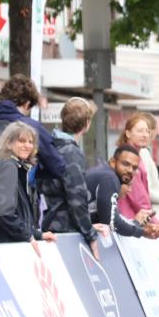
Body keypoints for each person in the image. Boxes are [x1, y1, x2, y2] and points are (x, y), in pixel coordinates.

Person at [0, 74, 65, 182]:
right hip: (17, 195)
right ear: (27, 104)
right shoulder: (30, 127)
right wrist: (30, 172)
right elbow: (57, 167)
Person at [41, 98, 102, 259]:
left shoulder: (50, 146)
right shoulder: (71, 153)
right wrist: (91, 235)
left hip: (47, 226)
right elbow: (77, 200)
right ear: (87, 124)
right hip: (64, 232)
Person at [0, 122, 56, 249]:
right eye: (21, 141)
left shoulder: (13, 167)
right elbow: (3, 211)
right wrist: (28, 236)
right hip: (7, 246)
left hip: (6, 243)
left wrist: (38, 235)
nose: (27, 146)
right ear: (9, 143)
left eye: (30, 142)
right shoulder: (9, 167)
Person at [85, 146, 159, 239]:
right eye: (125, 164)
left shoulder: (105, 173)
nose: (130, 170)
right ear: (113, 162)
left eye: (134, 168)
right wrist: (142, 232)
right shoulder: (109, 178)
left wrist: (136, 224)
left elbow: (108, 219)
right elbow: (111, 223)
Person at [115, 113, 159, 227]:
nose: (145, 135)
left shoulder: (135, 156)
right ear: (128, 133)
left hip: (132, 222)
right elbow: (139, 198)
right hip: (131, 222)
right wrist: (155, 224)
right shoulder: (129, 159)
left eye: (147, 131)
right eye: (140, 131)